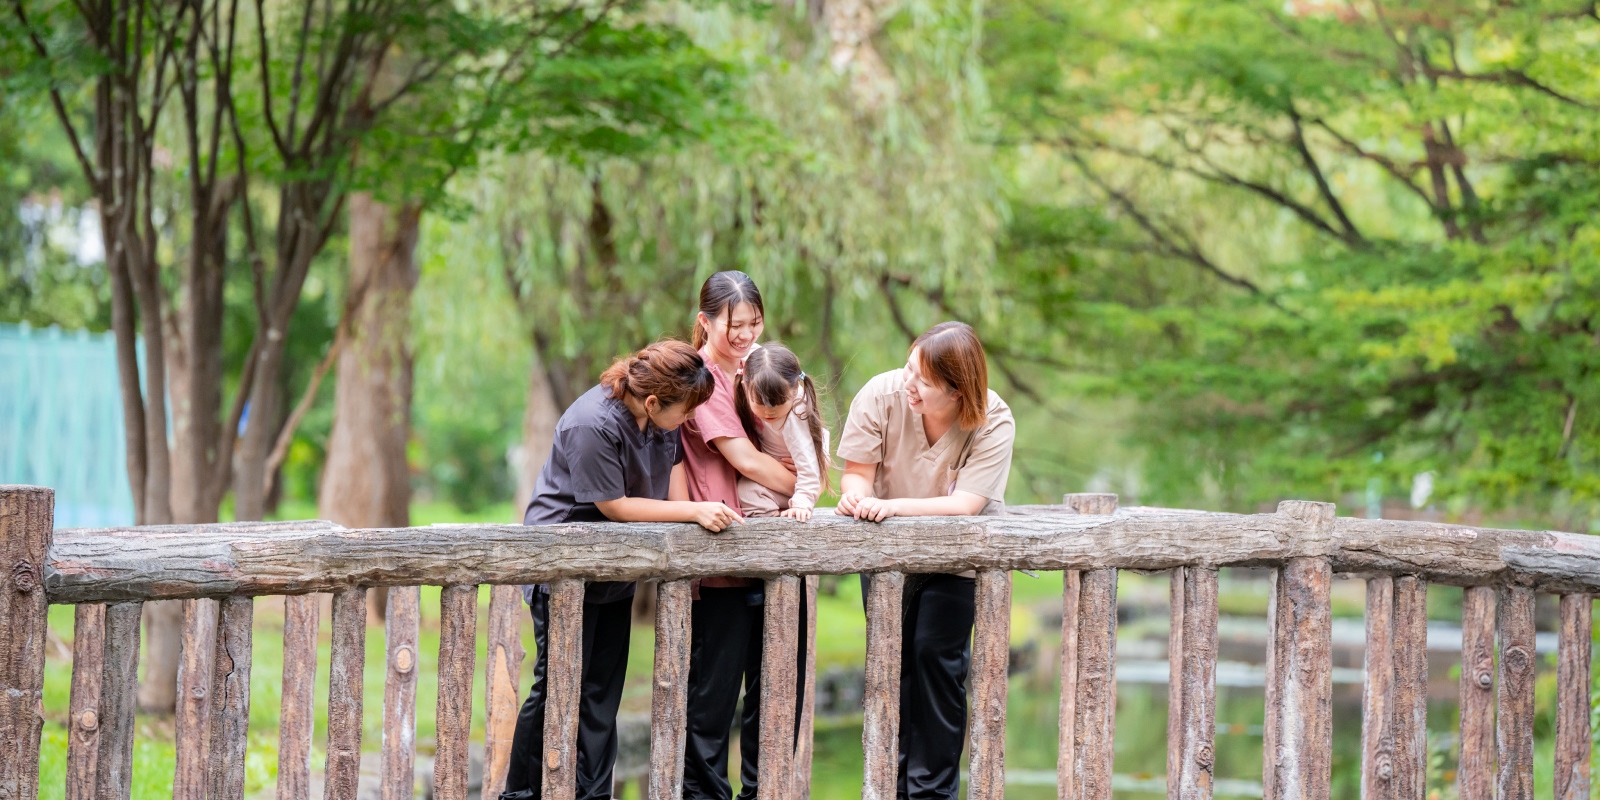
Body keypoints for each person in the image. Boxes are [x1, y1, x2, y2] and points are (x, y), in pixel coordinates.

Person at [500, 340, 740, 800]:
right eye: (686, 411)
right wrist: (694, 514)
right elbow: (614, 505)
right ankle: (523, 793)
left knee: (601, 692)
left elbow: (673, 487)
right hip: (564, 564)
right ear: (652, 401)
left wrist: (695, 514)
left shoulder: (663, 418)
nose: (690, 420)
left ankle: (590, 792)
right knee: (555, 685)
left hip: (616, 568)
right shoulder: (592, 423)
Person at [836, 321, 1016, 800]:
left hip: (955, 558)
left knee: (936, 660)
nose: (907, 383)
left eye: (923, 380)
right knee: (891, 665)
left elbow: (966, 506)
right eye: (909, 367)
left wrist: (889, 506)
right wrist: (857, 499)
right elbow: (856, 476)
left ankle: (932, 791)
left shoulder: (993, 419)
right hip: (888, 555)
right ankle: (890, 786)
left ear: (958, 392)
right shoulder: (881, 394)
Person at [679, 270, 800, 800]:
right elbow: (744, 459)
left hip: (772, 551)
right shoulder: (700, 378)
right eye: (734, 325)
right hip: (721, 549)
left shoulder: (762, 370)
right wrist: (803, 483)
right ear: (705, 323)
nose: (746, 335)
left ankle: (765, 791)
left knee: (778, 692)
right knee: (713, 699)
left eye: (754, 323)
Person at [734, 343, 831, 522]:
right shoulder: (761, 377)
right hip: (780, 476)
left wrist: (802, 503)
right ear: (745, 387)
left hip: (799, 479)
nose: (769, 412)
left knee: (748, 491)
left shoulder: (795, 413)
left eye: (778, 405)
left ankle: (778, 524)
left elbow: (809, 465)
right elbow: (760, 357)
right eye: (760, 405)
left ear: (794, 391)